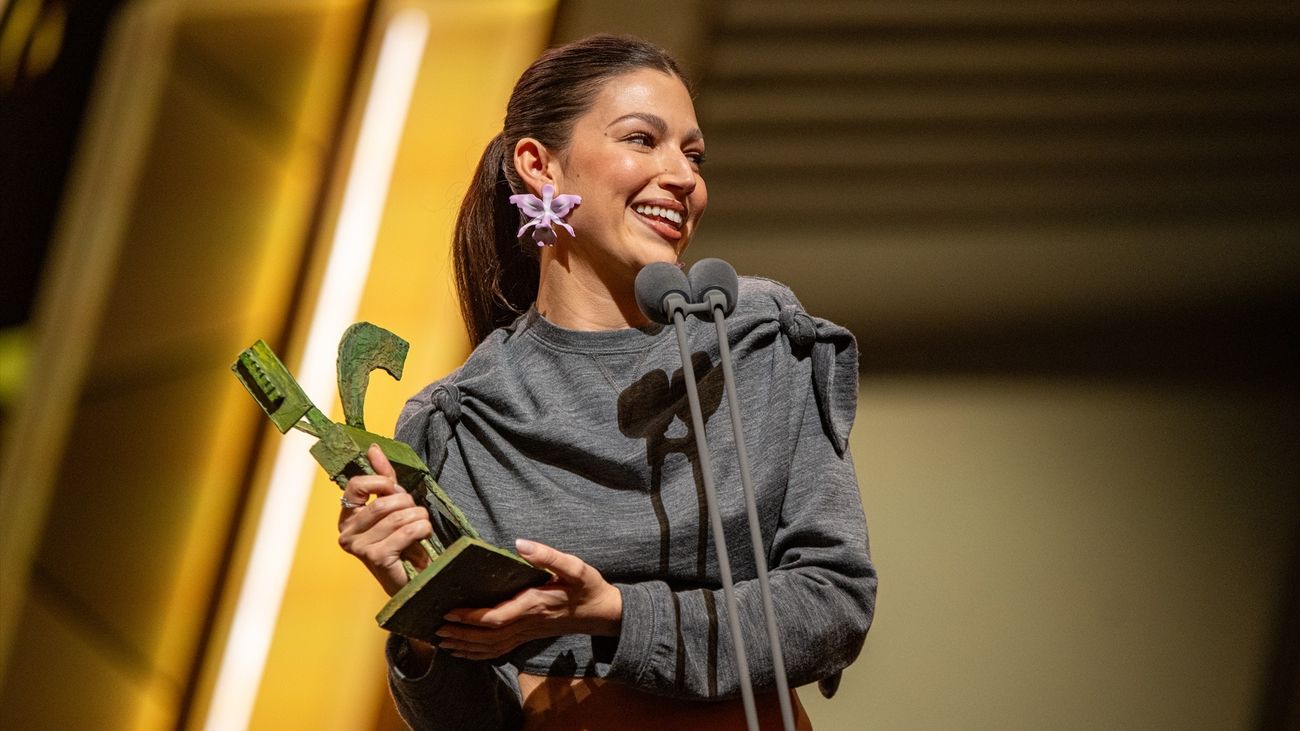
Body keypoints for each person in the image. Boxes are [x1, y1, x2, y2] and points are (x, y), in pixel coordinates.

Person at [336, 34, 876, 730]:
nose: (682, 176)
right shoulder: (464, 420)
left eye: (693, 153)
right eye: (642, 139)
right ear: (540, 165)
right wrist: (419, 618)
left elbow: (835, 600)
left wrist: (615, 614)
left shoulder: (760, 336)